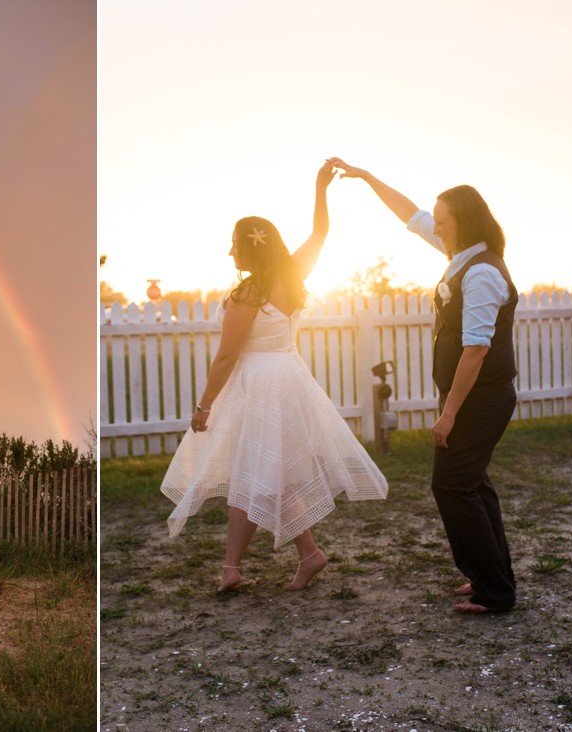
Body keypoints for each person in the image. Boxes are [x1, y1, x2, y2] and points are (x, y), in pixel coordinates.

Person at [160, 161, 388, 593]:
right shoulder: (291, 275)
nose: (230, 253)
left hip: (261, 384)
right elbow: (320, 235)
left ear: (250, 246)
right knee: (270, 473)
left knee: (253, 472)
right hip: (289, 377)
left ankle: (234, 568)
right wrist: (321, 189)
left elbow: (227, 355)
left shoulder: (248, 294)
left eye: (233, 245)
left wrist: (204, 405)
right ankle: (304, 554)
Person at [329, 157, 518, 614]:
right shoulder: (461, 259)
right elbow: (411, 215)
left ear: (465, 224)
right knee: (471, 484)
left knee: (452, 486)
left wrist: (449, 412)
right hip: (469, 395)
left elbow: (476, 350)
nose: (437, 229)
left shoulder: (483, 273)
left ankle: (495, 591)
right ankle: (488, 576)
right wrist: (368, 178)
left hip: (480, 396)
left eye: (445, 223)